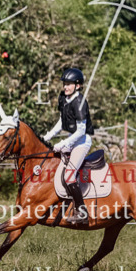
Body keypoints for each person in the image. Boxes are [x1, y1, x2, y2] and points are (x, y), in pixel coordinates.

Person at [42, 67, 95, 224]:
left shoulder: (80, 103)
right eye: (64, 84)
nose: (65, 87)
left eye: (69, 84)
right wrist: (47, 137)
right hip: (71, 139)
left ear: (77, 86)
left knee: (69, 176)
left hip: (81, 141)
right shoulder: (64, 98)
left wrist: (63, 143)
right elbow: (61, 122)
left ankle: (82, 212)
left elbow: (81, 131)